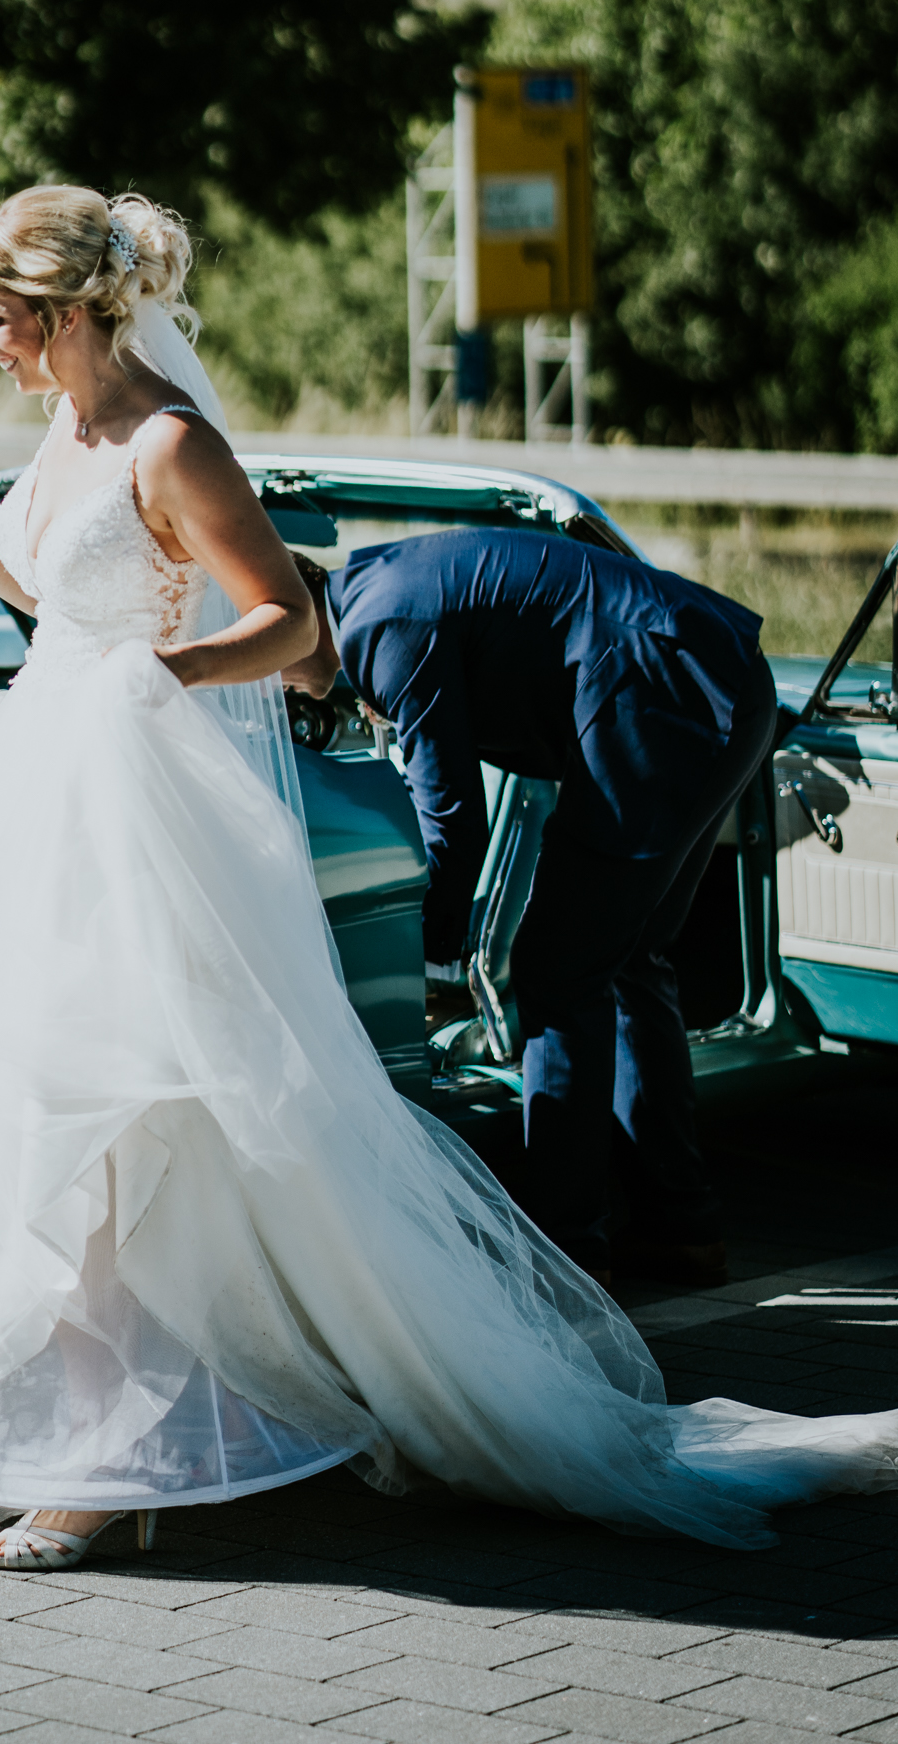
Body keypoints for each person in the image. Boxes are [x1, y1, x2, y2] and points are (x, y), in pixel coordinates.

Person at [0, 183, 898, 1573]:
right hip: (44, 806)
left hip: (134, 812)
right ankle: (105, 1448)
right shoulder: (61, 432)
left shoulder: (172, 442)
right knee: (43, 1112)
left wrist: (165, 667)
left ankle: (108, 1465)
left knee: (121, 1125)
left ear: (65, 310)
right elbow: (35, 586)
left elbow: (286, 623)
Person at [283, 530, 775, 1290]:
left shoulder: (378, 627)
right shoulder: (374, 588)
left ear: (286, 609)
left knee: (556, 972)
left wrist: (419, 962)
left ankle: (565, 1255)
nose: (269, 682)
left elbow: (453, 819)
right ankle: (679, 1229)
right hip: (717, 676)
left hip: (664, 692)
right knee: (625, 959)